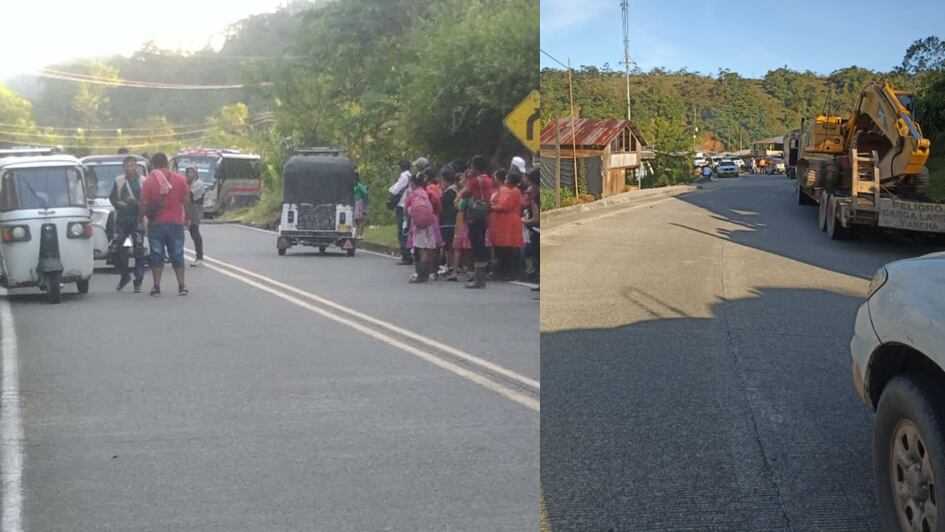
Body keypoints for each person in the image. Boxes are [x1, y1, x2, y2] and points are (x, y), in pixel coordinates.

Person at [139, 152, 190, 296]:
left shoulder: (149, 181)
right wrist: (188, 218)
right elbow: (186, 200)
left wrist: (140, 219)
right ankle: (181, 285)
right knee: (177, 253)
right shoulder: (180, 179)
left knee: (157, 254)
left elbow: (143, 203)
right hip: (175, 222)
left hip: (156, 224)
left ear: (153, 165)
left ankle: (156, 286)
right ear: (167, 164)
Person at [109, 156, 146, 293]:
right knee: (118, 249)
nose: (129, 168)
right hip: (122, 220)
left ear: (136, 167)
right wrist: (120, 204)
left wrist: (136, 202)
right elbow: (112, 198)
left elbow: (147, 200)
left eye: (132, 165)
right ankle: (125, 275)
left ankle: (138, 280)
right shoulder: (119, 181)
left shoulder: (143, 181)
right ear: (123, 167)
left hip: (137, 220)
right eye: (127, 166)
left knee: (138, 251)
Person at [460, 155, 494, 289]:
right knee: (482, 242)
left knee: (477, 244)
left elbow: (464, 194)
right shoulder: (489, 179)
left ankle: (479, 279)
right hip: (485, 211)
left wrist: (468, 179)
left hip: (475, 213)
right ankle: (482, 275)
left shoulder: (474, 180)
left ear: (474, 166)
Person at [490, 170, 525, 280]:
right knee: (507, 247)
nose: (505, 181)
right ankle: (507, 271)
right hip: (508, 220)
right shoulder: (514, 190)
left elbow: (504, 205)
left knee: (508, 247)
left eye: (506, 179)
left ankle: (509, 272)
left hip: (509, 221)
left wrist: (492, 207)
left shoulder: (513, 191)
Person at [404, 172, 438, 283]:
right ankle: (428, 272)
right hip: (430, 224)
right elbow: (437, 204)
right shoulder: (427, 193)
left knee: (422, 250)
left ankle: (421, 275)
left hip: (418, 226)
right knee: (429, 249)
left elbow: (406, 209)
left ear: (412, 183)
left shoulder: (413, 195)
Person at [388, 160, 412, 265]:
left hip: (402, 206)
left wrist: (391, 188)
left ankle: (406, 255)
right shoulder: (411, 176)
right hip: (408, 205)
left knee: (402, 232)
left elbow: (394, 190)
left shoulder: (404, 177)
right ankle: (408, 253)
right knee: (406, 230)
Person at [438, 165, 459, 278]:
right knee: (447, 246)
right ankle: (448, 264)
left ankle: (451, 266)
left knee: (449, 246)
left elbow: (442, 203)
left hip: (449, 222)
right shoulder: (450, 191)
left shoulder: (451, 192)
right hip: (447, 222)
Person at [184, 166, 206, 267]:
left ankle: (199, 256)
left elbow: (190, 195)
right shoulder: (185, 182)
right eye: (188, 172)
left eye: (192, 172)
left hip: (195, 208)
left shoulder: (199, 184)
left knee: (194, 230)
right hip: (186, 207)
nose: (190, 174)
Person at [522, 167, 540, 284]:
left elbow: (536, 218)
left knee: (536, 255)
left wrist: (523, 221)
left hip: (536, 229)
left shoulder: (534, 197)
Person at [353, 174, 369, 239]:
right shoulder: (359, 185)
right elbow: (365, 192)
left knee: (356, 221)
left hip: (353, 203)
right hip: (360, 203)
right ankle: (360, 235)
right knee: (362, 220)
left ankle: (356, 234)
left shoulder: (352, 185)